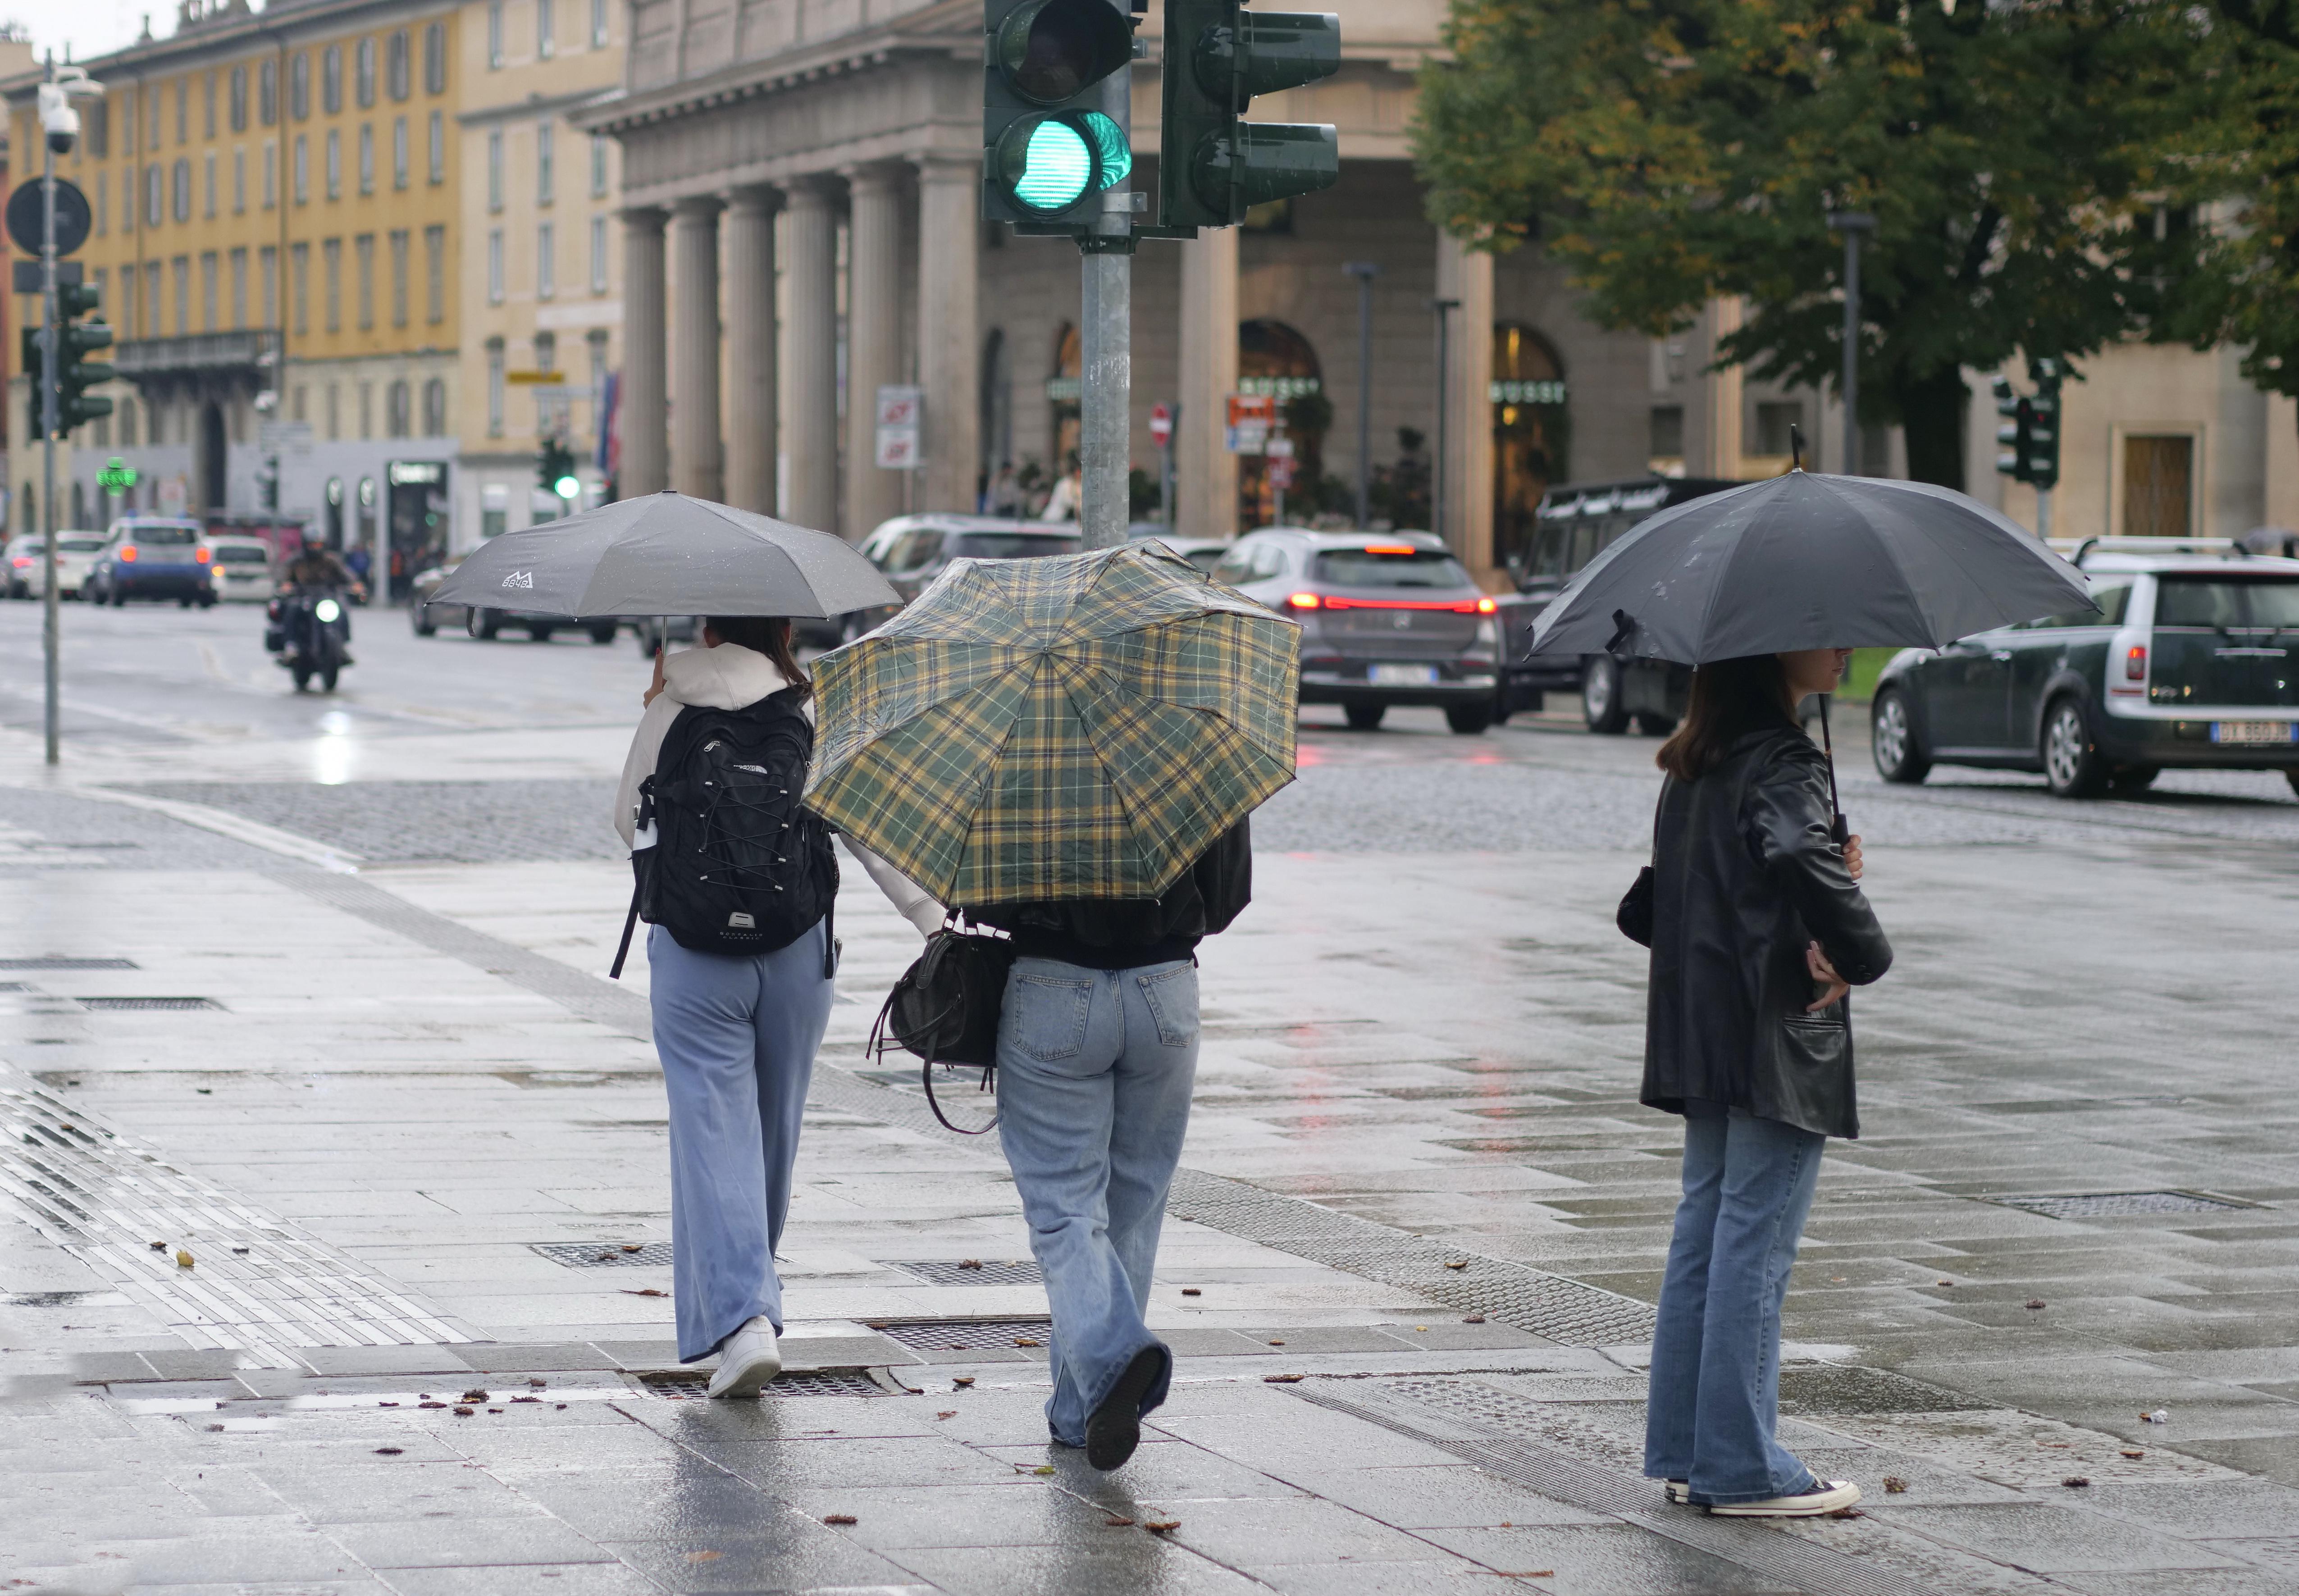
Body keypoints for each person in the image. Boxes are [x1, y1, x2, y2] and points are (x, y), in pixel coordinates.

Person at [614, 617, 939, 1397]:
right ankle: (746, 1300)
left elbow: (626, 819)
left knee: (711, 1130)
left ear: (709, 624)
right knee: (771, 1135)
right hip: (798, 950)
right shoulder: (811, 709)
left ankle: (746, 1317)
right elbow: (867, 829)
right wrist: (930, 918)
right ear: (783, 627)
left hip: (694, 954)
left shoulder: (673, 703)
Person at [1624, 649, 1891, 1517]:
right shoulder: (1783, 757)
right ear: (1772, 649)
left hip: (1700, 1027)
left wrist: (1821, 865)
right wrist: (1857, 946)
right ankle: (1741, 1462)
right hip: (1770, 1025)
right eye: (1823, 630)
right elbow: (1782, 848)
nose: (1844, 646)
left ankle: (1688, 1446)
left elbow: (1653, 904)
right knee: (1755, 1241)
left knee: (1705, 1229)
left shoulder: (1695, 760)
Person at [962, 822, 1252, 1471]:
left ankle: (1114, 1353)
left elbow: (977, 897)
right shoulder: (1188, 736)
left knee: (1065, 1206)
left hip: (1052, 983)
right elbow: (1229, 893)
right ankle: (1080, 1411)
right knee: (1134, 1204)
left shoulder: (1026, 737)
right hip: (1166, 988)